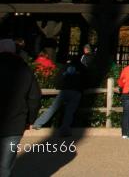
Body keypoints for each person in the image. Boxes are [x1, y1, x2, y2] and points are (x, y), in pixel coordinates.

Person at [0, 38, 41, 177]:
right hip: (15, 123)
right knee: (5, 167)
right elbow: (34, 97)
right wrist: (30, 119)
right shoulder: (24, 68)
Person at [33, 55, 86, 136]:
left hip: (64, 91)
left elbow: (57, 79)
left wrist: (59, 86)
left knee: (53, 108)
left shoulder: (65, 67)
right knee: (69, 111)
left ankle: (37, 123)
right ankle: (64, 130)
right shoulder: (82, 68)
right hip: (76, 91)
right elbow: (87, 80)